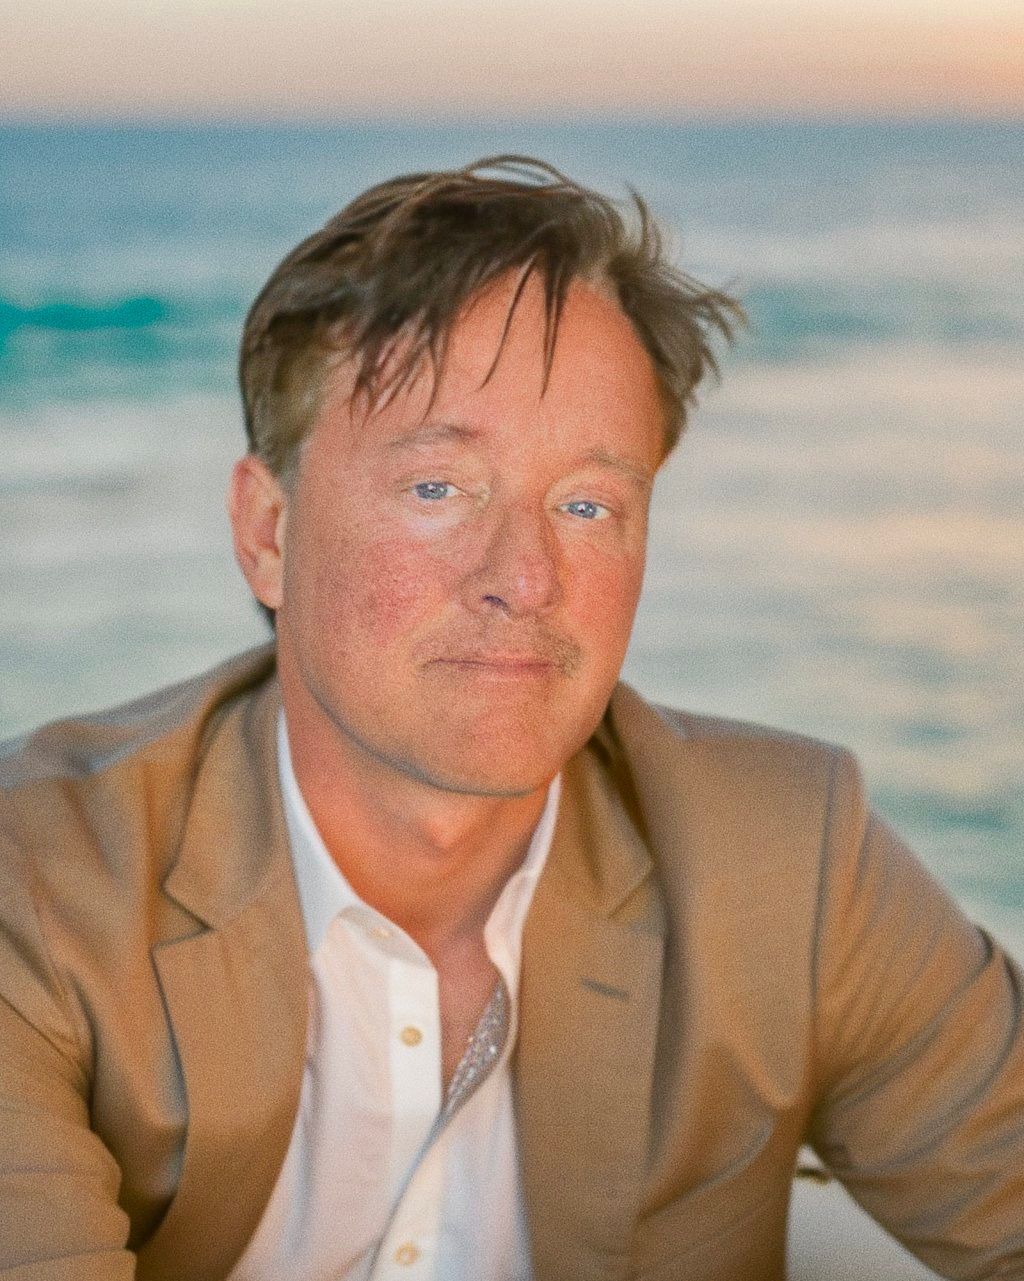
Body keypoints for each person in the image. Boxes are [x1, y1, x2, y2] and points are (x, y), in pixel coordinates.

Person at [1, 155, 1022, 1281]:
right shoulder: (38, 888)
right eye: (438, 489)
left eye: (588, 505)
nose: (525, 577)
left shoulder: (792, 861)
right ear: (267, 531)